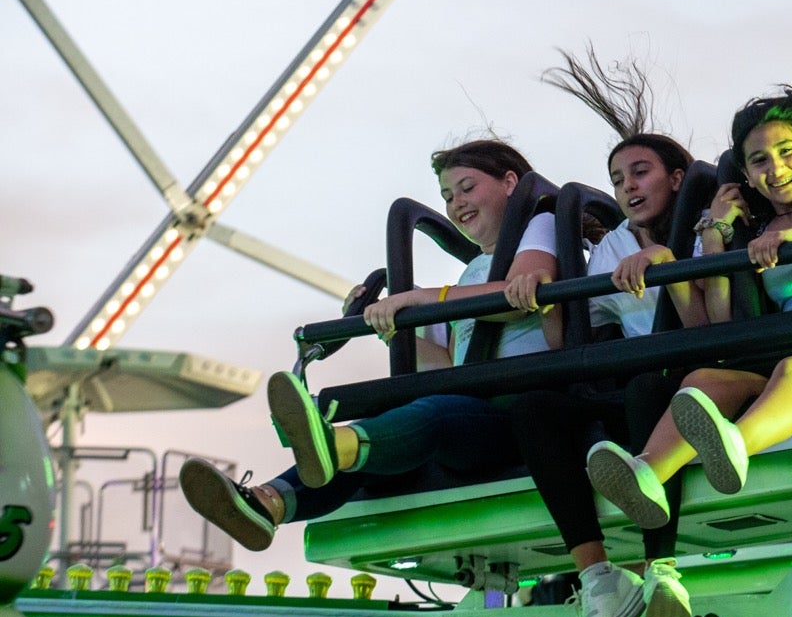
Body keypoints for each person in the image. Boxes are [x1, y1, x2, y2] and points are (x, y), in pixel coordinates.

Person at [585, 73, 792, 530]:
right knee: (704, 378)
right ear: (746, 175)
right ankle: (647, 475)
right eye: (759, 160)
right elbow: (718, 323)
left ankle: (737, 445)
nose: (776, 168)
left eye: (786, 153)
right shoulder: (758, 229)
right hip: (786, 350)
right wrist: (712, 232)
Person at [178, 137, 556, 551]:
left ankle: (331, 446)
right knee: (388, 426)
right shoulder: (474, 273)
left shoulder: (542, 224)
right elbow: (446, 365)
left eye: (467, 188)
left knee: (418, 419)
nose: (457, 203)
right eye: (448, 196)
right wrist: (388, 323)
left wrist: (421, 298)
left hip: (524, 412)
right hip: (471, 411)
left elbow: (519, 297)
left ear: (509, 182)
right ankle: (267, 503)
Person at [502, 49, 709, 617]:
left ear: (676, 177)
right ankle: (599, 580)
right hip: (632, 382)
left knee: (650, 385)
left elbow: (713, 319)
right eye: (619, 181)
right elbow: (575, 343)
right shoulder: (613, 244)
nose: (628, 188)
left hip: (690, 380)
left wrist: (668, 264)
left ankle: (662, 571)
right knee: (536, 406)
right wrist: (545, 302)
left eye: (641, 173)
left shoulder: (710, 222)